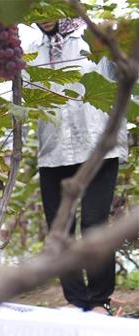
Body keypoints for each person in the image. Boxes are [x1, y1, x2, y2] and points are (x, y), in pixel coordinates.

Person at [28, 19, 128, 313]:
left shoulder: (93, 39)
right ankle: (75, 299)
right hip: (53, 150)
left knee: (94, 224)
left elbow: (126, 76)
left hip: (98, 148)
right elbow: (25, 101)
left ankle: (99, 300)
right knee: (60, 229)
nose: (45, 15)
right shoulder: (31, 51)